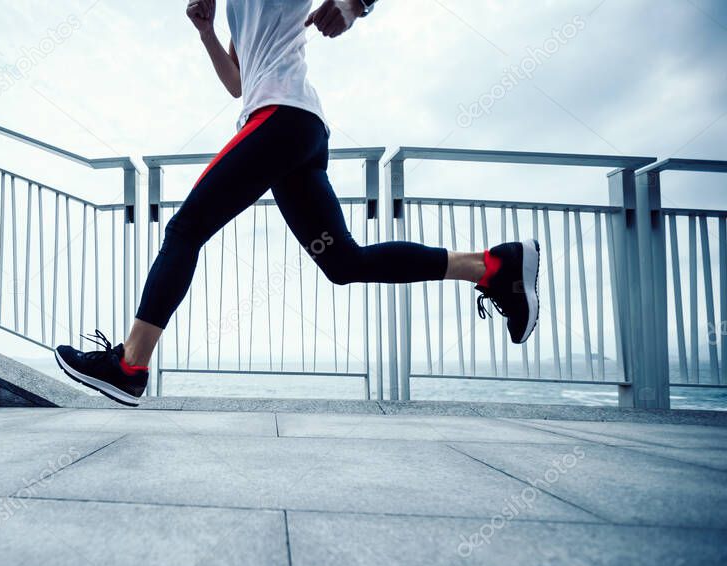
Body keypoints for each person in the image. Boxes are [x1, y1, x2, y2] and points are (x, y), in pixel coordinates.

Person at [55, 0, 540, 406]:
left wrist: (352, 5)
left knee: (185, 230)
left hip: (283, 118)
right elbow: (237, 82)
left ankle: (130, 364)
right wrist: (206, 32)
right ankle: (493, 267)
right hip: (293, 131)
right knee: (343, 261)